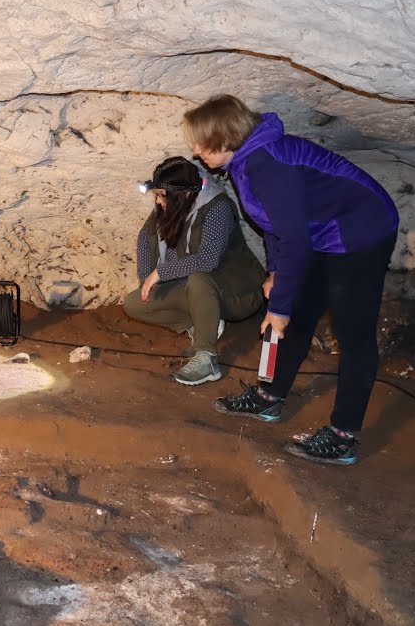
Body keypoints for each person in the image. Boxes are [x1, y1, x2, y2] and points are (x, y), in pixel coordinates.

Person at [182, 95, 399, 466]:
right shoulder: (244, 160)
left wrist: (279, 306)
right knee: (299, 311)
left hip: (360, 230)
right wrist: (277, 274)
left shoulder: (267, 163)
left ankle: (344, 435)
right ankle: (270, 397)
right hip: (319, 230)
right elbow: (272, 224)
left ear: (225, 138)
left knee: (353, 331)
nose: (196, 151)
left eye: (202, 144)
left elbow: (294, 238)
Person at [123, 156, 267, 385]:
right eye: (157, 195)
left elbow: (206, 261)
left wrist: (159, 273)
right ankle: (201, 323)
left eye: (162, 195)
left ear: (183, 194)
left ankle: (207, 358)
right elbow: (145, 237)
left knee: (200, 279)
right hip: (195, 290)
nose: (159, 202)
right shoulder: (172, 205)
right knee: (134, 303)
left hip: (238, 292)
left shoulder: (217, 207)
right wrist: (145, 279)